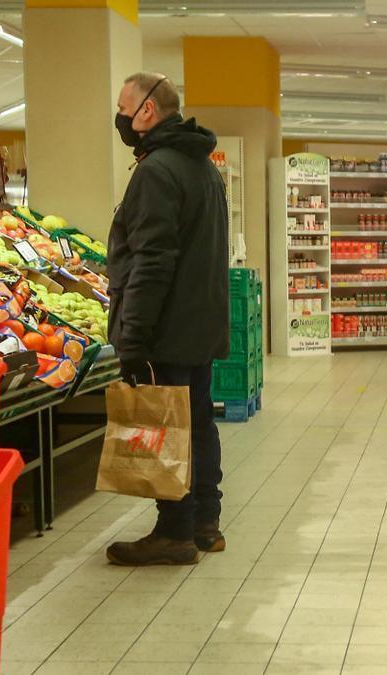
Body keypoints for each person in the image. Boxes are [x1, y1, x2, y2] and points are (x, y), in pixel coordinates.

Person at [104, 72, 231, 566]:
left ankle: (175, 531)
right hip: (199, 324)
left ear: (148, 112)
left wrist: (133, 336)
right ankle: (205, 523)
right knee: (197, 423)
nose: (119, 117)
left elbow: (151, 260)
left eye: (124, 107)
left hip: (167, 327)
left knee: (168, 428)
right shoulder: (203, 168)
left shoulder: (158, 170)